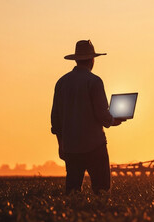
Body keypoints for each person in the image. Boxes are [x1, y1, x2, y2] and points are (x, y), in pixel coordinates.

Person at [51, 40, 124, 194]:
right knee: (101, 190)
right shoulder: (94, 81)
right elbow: (103, 115)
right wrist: (113, 120)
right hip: (95, 147)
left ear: (76, 59)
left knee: (72, 192)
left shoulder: (61, 83)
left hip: (71, 147)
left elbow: (55, 120)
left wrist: (61, 145)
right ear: (92, 60)